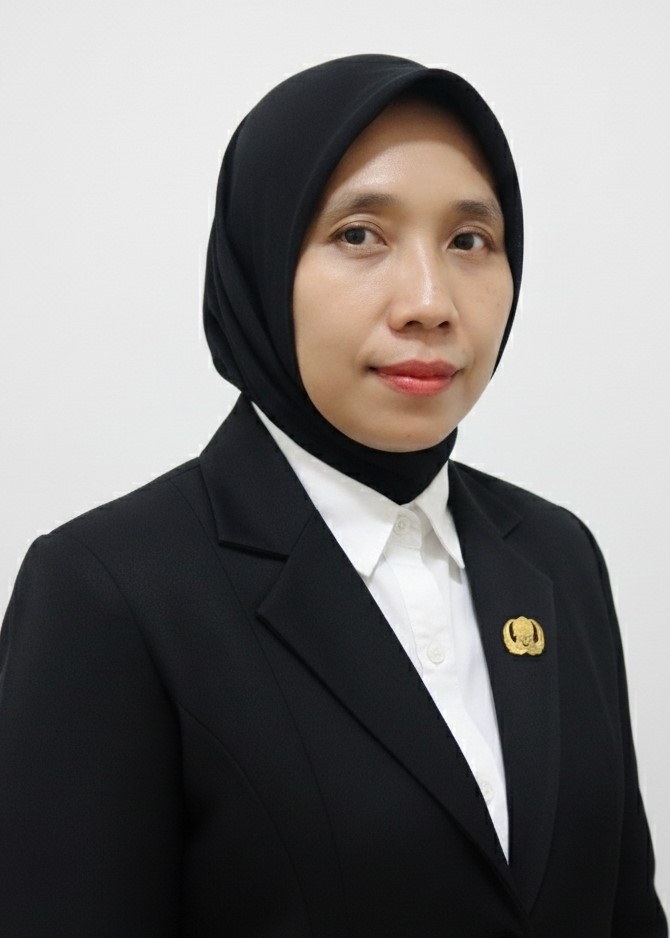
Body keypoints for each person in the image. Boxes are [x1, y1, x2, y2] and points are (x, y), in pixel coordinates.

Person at [0, 53, 665, 937]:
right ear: (261, 260)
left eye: (470, 241)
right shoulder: (109, 592)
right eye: (360, 235)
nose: (430, 302)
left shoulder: (556, 554)